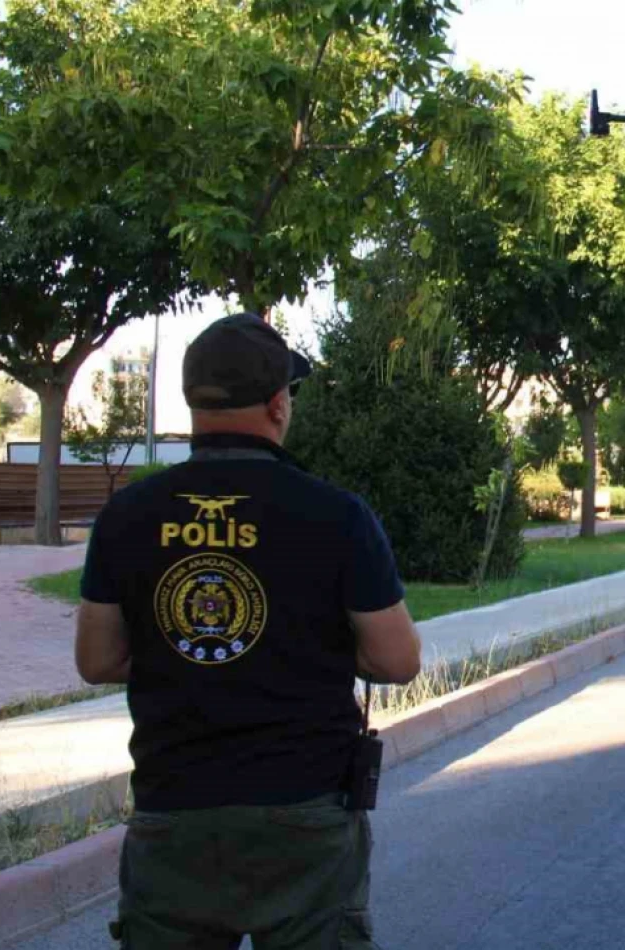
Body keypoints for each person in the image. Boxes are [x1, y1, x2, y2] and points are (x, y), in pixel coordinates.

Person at [75, 313, 423, 949]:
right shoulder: (336, 515)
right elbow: (397, 660)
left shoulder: (126, 516)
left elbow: (97, 660)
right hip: (306, 815)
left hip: (173, 809)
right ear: (276, 404)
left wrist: (186, 652)